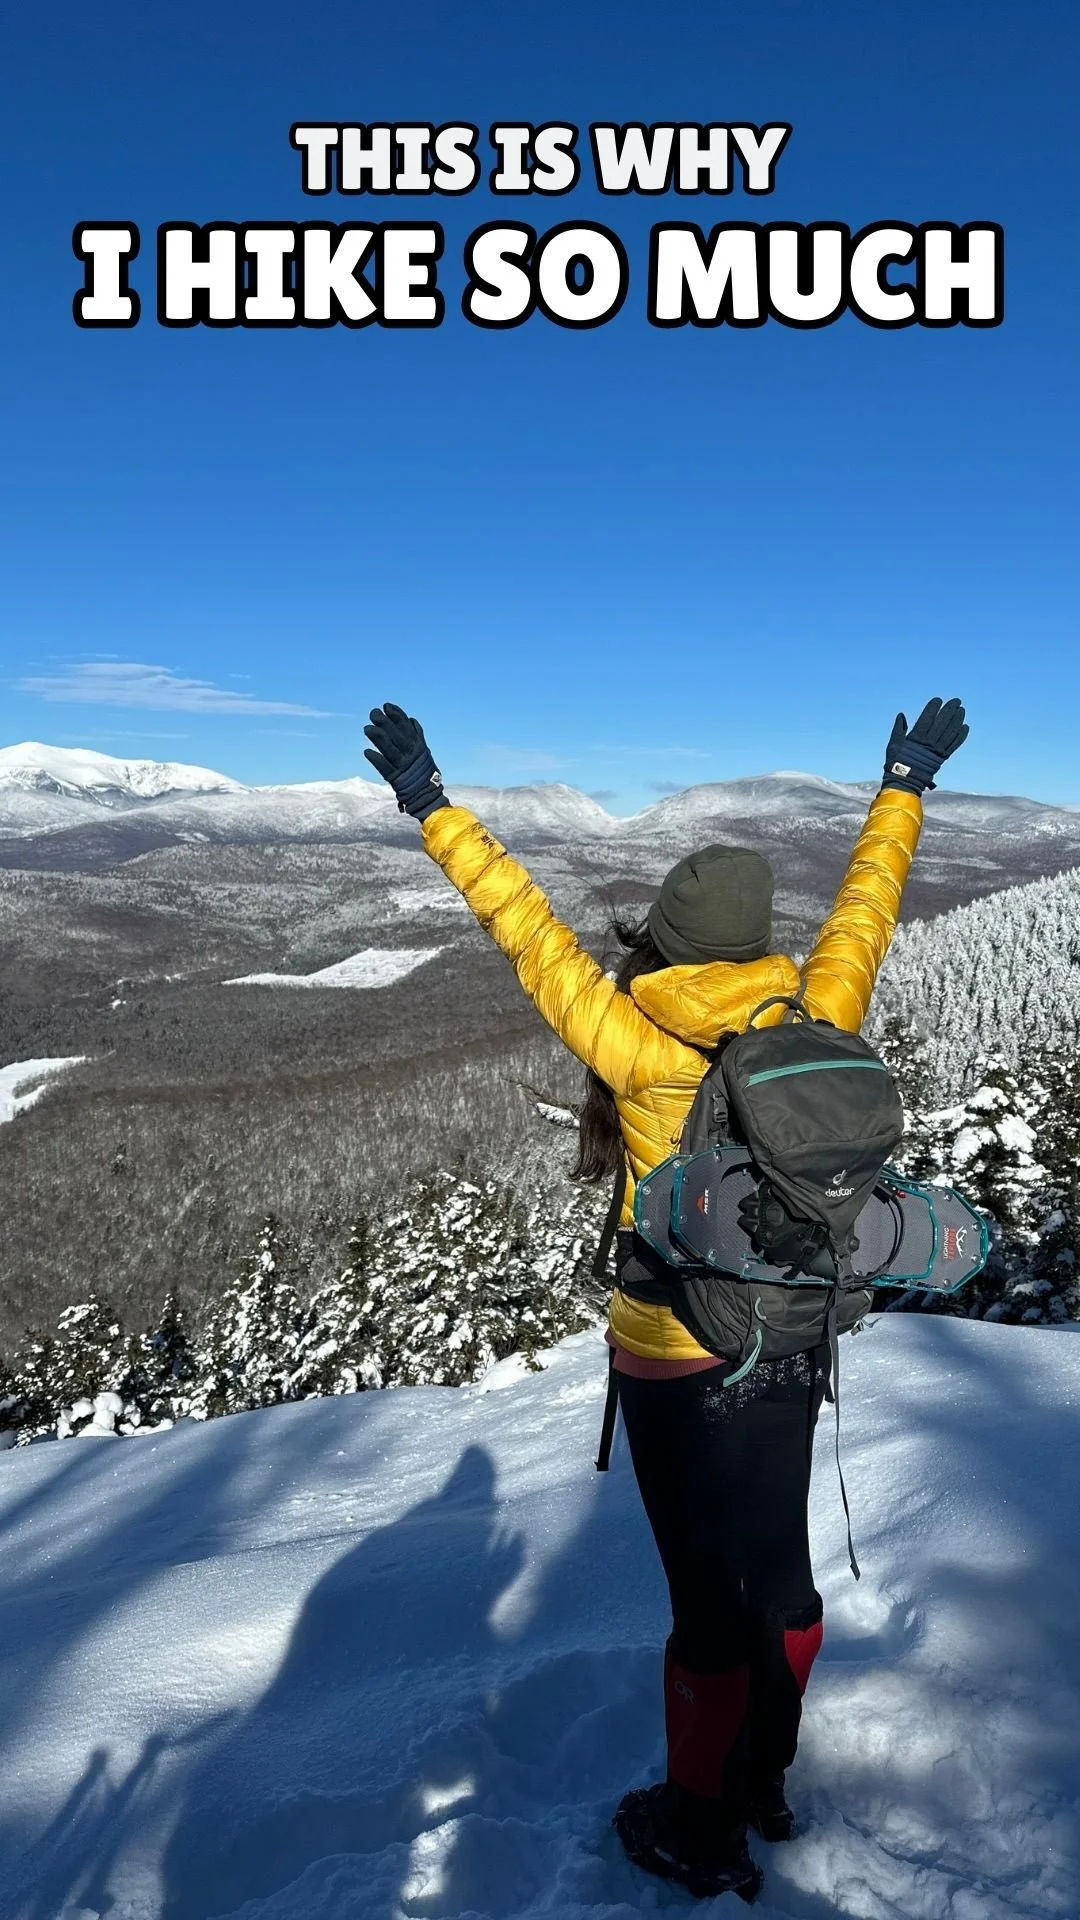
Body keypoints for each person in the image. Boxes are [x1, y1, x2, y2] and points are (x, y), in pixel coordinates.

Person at [362, 696, 969, 1901]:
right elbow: (867, 905)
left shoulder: (635, 1041)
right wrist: (905, 784)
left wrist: (428, 801)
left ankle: (697, 1822)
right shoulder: (818, 1012)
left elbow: (524, 926)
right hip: (788, 1336)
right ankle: (762, 1778)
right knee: (780, 1577)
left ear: (673, 943)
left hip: (670, 1353)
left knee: (704, 1604)